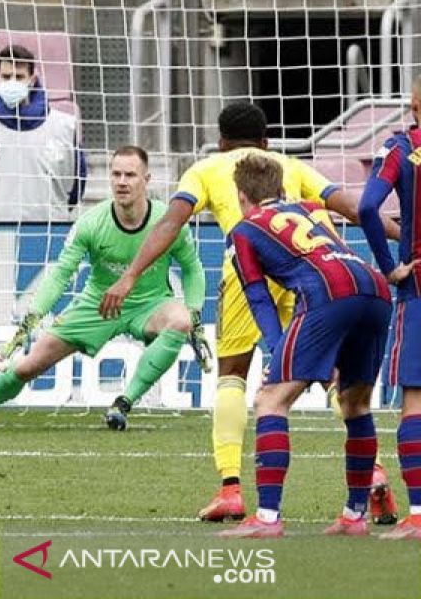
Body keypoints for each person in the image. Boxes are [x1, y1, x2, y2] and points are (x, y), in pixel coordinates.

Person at [97, 101, 398, 522]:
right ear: (265, 142)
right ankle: (374, 473)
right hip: (319, 273)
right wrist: (403, 233)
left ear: (220, 143)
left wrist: (130, 275)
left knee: (233, 376)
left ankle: (232, 489)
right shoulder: (285, 165)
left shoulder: (207, 169)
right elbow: (349, 205)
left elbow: (170, 223)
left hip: (249, 265)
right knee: (336, 377)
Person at [0, 146, 208, 431]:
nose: (122, 181)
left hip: (150, 303)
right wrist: (34, 316)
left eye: (130, 175)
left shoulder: (169, 222)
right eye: (116, 174)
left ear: (147, 179)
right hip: (98, 305)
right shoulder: (91, 223)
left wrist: (194, 313)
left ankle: (123, 403)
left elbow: (192, 268)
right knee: (28, 366)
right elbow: (61, 273)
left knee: (180, 320)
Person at [220, 155, 391, 539]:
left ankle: (266, 519)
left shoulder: (244, 230)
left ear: (242, 196)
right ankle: (354, 516)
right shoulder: (310, 209)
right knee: (355, 404)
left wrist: (278, 349)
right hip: (375, 289)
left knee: (270, 400)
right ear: (281, 190)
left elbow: (258, 297)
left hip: (329, 294)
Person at [357, 73, 421, 539]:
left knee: (415, 403)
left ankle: (419, 515)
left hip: (418, 284)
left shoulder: (402, 148)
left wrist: (389, 264)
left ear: (414, 106)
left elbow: (366, 207)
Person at [0, 44, 86, 222]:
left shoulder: (65, 128)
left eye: (19, 77)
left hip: (49, 235)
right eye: (6, 77)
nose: (12, 82)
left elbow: (76, 186)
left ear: (32, 79)